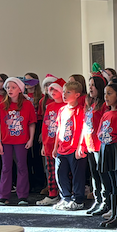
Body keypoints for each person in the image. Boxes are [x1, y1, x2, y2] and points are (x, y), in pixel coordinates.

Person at [0, 77, 36, 206]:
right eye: (8, 88)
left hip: (21, 140)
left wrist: (31, 139)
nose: (9, 90)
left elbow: (31, 123)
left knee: (22, 166)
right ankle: (3, 196)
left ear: (20, 89)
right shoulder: (2, 106)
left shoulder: (27, 104)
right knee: (6, 167)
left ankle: (22, 196)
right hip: (6, 141)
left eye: (13, 87)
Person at [53, 81, 88, 210]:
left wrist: (81, 145)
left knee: (77, 175)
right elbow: (59, 129)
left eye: (68, 92)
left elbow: (84, 129)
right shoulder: (62, 110)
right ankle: (65, 197)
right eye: (63, 92)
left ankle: (78, 199)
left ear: (77, 94)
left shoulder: (81, 110)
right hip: (62, 148)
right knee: (60, 173)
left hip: (74, 148)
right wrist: (55, 147)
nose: (64, 95)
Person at [98, 83, 117, 228]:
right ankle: (114, 212)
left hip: (116, 148)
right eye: (105, 93)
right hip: (106, 148)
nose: (106, 96)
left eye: (110, 93)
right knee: (111, 183)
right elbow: (99, 132)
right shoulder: (106, 114)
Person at [37, 77, 66, 206]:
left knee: (64, 171)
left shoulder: (66, 106)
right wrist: (44, 144)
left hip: (62, 145)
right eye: (51, 89)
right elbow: (45, 126)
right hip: (49, 143)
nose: (52, 91)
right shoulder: (49, 106)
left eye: (55, 89)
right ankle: (52, 194)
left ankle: (65, 194)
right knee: (50, 170)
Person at [84, 74, 109, 215]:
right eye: (90, 85)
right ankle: (98, 199)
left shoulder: (104, 105)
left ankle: (106, 201)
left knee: (101, 174)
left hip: (100, 144)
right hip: (90, 144)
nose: (91, 88)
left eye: (93, 85)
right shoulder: (91, 105)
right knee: (94, 175)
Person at [24, 72, 46, 194]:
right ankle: (29, 182)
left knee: (37, 156)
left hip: (37, 125)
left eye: (30, 80)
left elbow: (43, 116)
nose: (27, 83)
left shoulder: (41, 97)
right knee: (26, 156)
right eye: (25, 80)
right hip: (24, 127)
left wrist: (41, 133)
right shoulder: (21, 96)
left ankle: (39, 182)